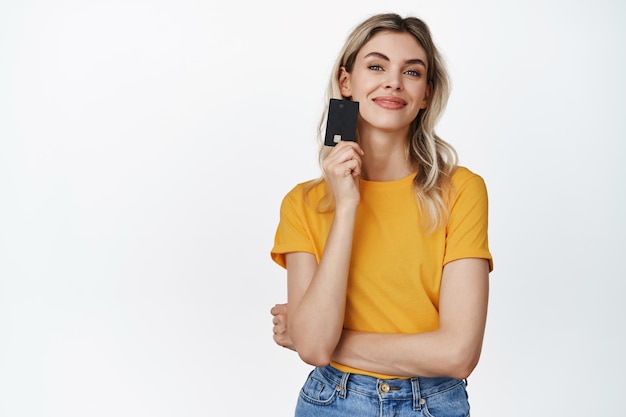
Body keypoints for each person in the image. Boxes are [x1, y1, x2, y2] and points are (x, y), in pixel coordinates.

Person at [269, 12, 493, 417]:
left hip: (433, 403)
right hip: (331, 401)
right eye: (376, 66)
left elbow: (458, 354)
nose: (393, 81)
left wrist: (318, 338)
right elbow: (313, 348)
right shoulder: (303, 203)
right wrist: (348, 206)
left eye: (412, 72)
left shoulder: (461, 190)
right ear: (346, 82)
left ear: (426, 93)